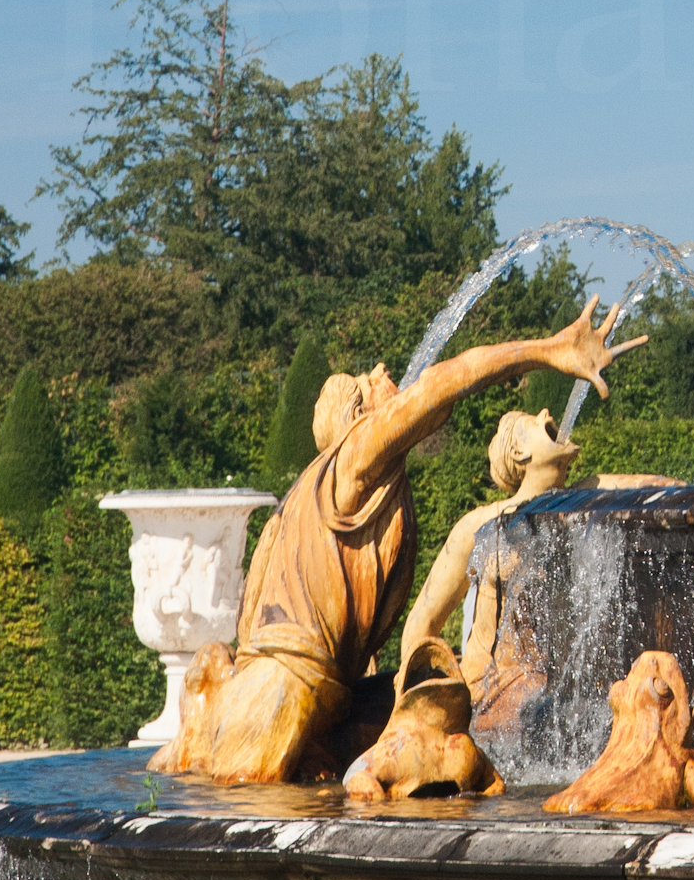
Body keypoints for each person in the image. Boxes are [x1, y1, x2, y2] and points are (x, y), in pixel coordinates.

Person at [151, 297, 644, 786]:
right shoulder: (358, 453)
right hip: (278, 696)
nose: (383, 370)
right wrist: (548, 350)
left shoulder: (316, 491)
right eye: (369, 379)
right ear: (362, 414)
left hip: (321, 698)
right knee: (258, 825)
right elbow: (446, 381)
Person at [397, 406, 581, 688]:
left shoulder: (586, 509)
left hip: (552, 691)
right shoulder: (480, 524)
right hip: (488, 695)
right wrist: (429, 702)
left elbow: (642, 487)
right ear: (519, 452)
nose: (546, 411)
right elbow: (423, 620)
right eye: (533, 421)